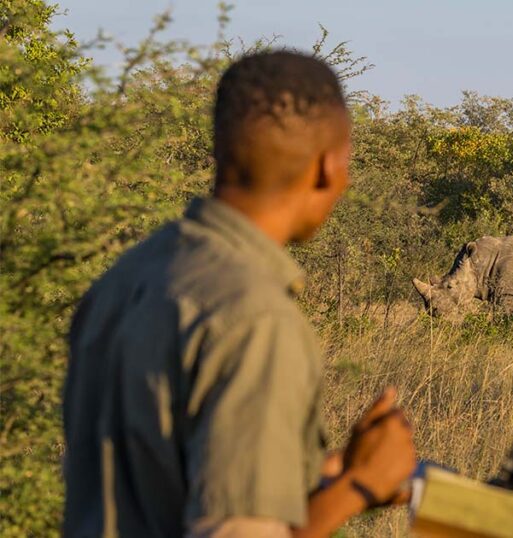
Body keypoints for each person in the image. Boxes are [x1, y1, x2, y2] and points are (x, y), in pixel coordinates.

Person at [63, 51, 415, 538]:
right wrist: (359, 485)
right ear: (328, 168)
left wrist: (329, 474)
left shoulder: (127, 277)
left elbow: (160, 486)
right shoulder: (255, 317)